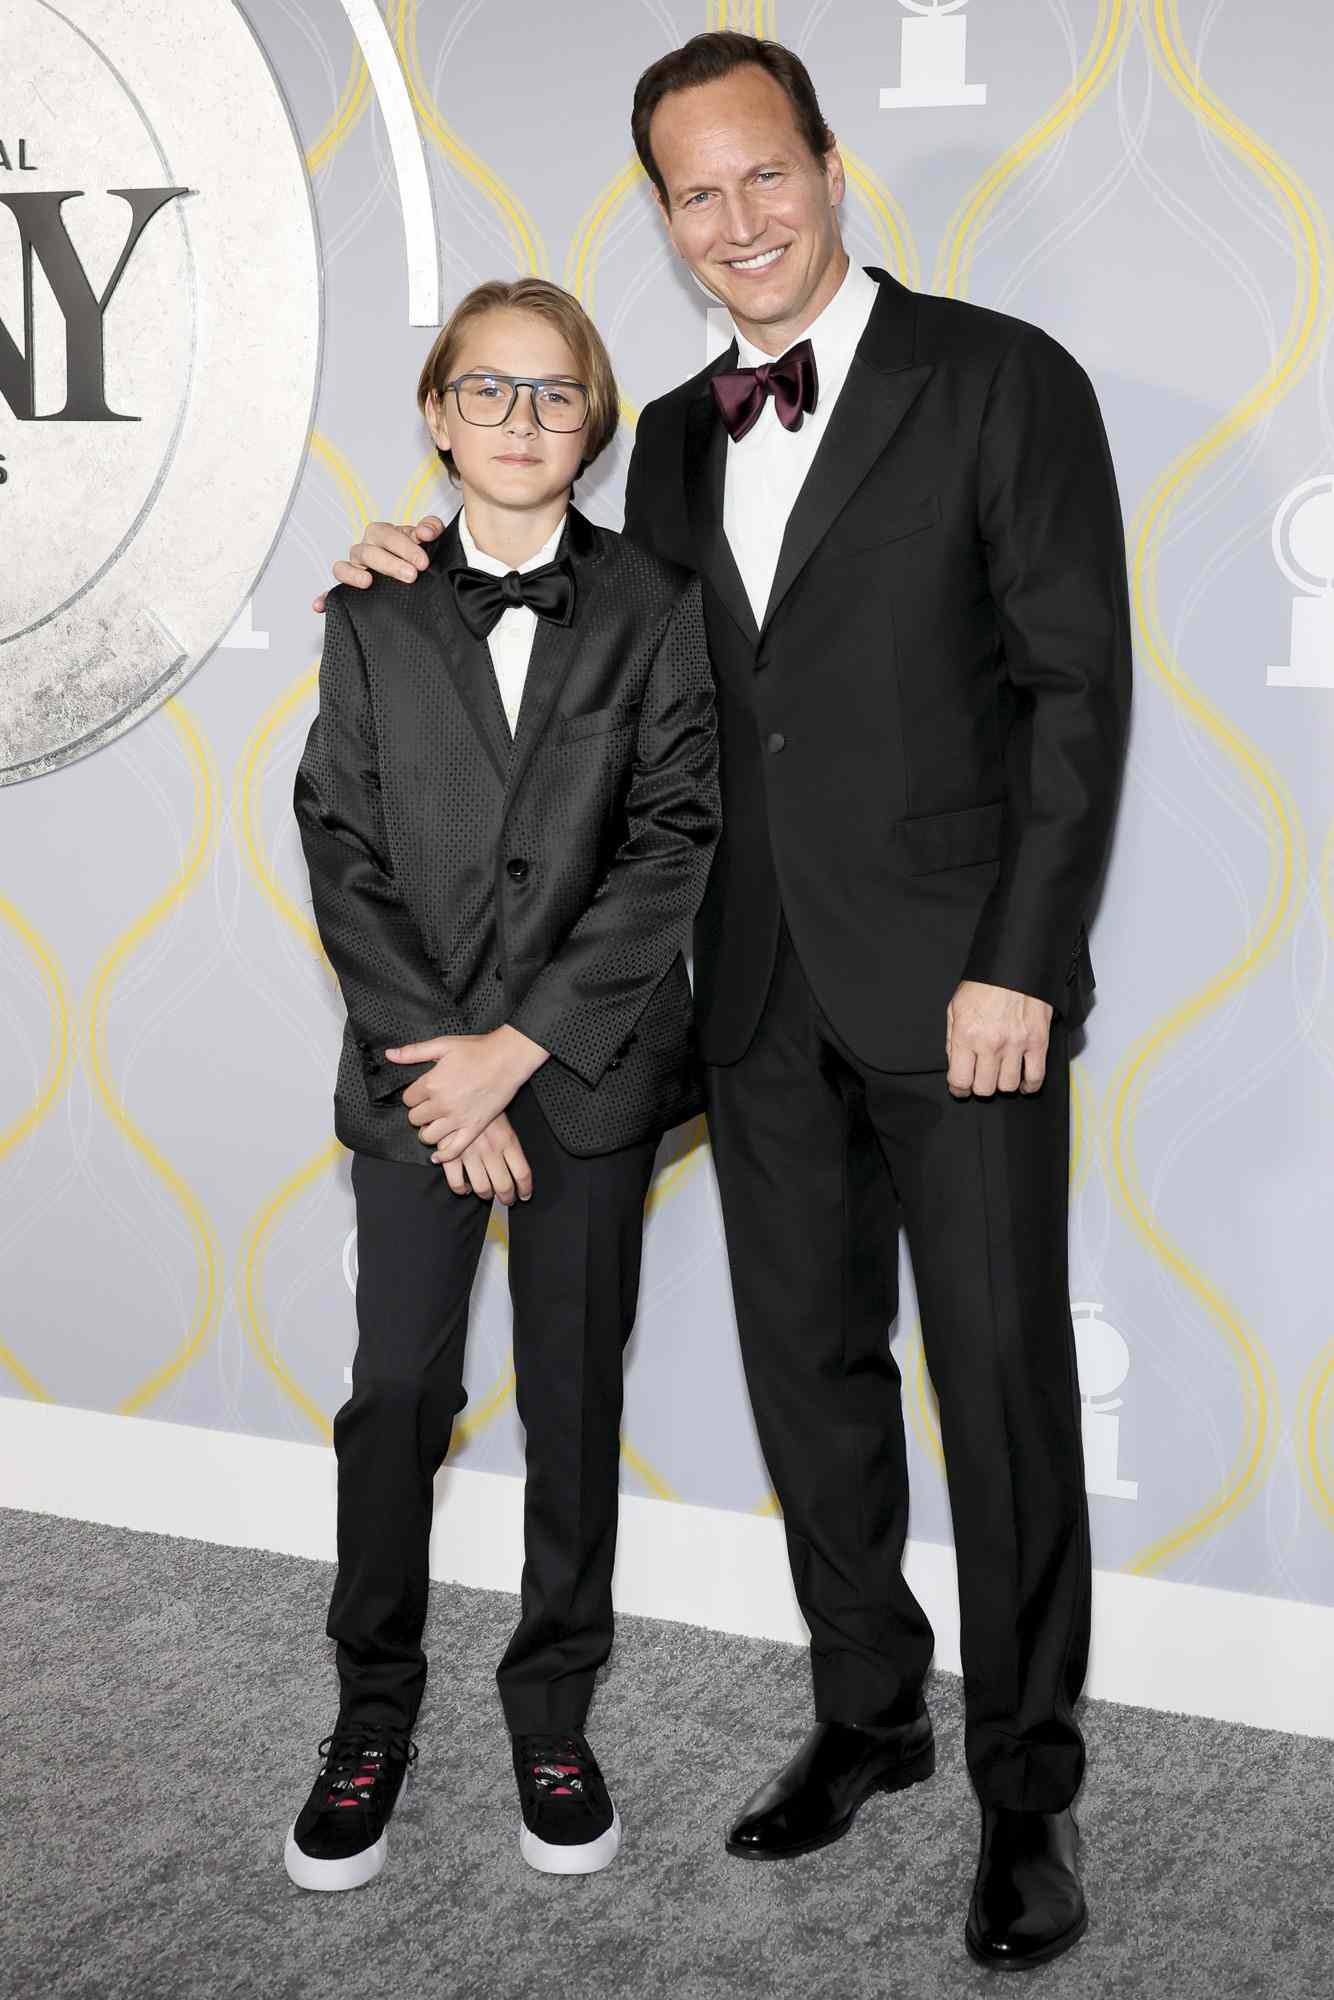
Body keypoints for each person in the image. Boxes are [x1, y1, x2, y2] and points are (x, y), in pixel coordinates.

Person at [319, 31, 1131, 1970]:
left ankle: (1025, 1793)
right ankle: (868, 1711)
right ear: (667, 222)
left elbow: (1075, 695)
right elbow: (569, 604)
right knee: (811, 1378)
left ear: (828, 168)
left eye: (762, 174)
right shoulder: (669, 437)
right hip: (750, 995)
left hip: (962, 998)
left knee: (1002, 1392)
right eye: (695, 193)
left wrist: (1021, 952)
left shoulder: (1000, 379)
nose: (736, 218)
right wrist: (408, 553)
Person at [287, 276, 719, 1892]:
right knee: (395, 1397)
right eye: (489, 391)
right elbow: (340, 840)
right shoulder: (374, 607)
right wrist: (445, 1078)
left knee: (573, 1396)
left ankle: (553, 1705)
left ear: (591, 424)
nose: (521, 421)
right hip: (413, 1081)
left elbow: (674, 835)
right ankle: (369, 1712)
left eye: (553, 395)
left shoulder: (657, 600)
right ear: (436, 412)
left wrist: (517, 1053)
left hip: (587, 1074)